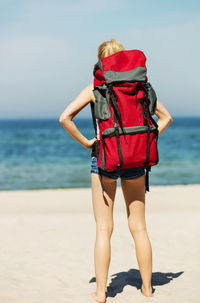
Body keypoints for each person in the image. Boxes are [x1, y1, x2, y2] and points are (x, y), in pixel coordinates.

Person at [59, 38, 173, 303]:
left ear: (102, 62)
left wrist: (88, 142)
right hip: (136, 161)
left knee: (103, 229)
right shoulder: (140, 88)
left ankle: (101, 293)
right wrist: (147, 141)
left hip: (103, 161)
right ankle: (147, 289)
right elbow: (166, 117)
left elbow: (65, 117)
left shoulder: (95, 87)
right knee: (139, 227)